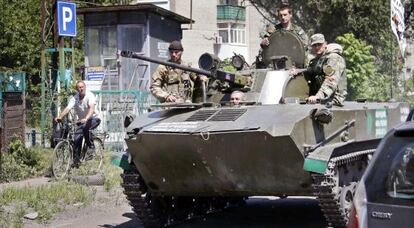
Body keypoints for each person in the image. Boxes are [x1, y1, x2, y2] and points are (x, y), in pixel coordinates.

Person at [290, 33, 347, 106]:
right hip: (321, 100)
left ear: (325, 44)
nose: (317, 47)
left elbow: (330, 81)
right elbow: (311, 70)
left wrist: (318, 96)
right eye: (314, 45)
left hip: (334, 101)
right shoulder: (317, 60)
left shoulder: (334, 58)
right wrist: (298, 71)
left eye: (319, 44)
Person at [54, 81, 101, 164]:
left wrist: (86, 118)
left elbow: (91, 109)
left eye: (82, 87)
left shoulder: (90, 96)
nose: (81, 88)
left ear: (85, 87)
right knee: (76, 138)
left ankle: (91, 147)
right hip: (82, 121)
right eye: (79, 87)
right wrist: (60, 117)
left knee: (86, 128)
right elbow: (68, 108)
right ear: (77, 89)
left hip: (94, 118)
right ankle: (76, 160)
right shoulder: (75, 98)